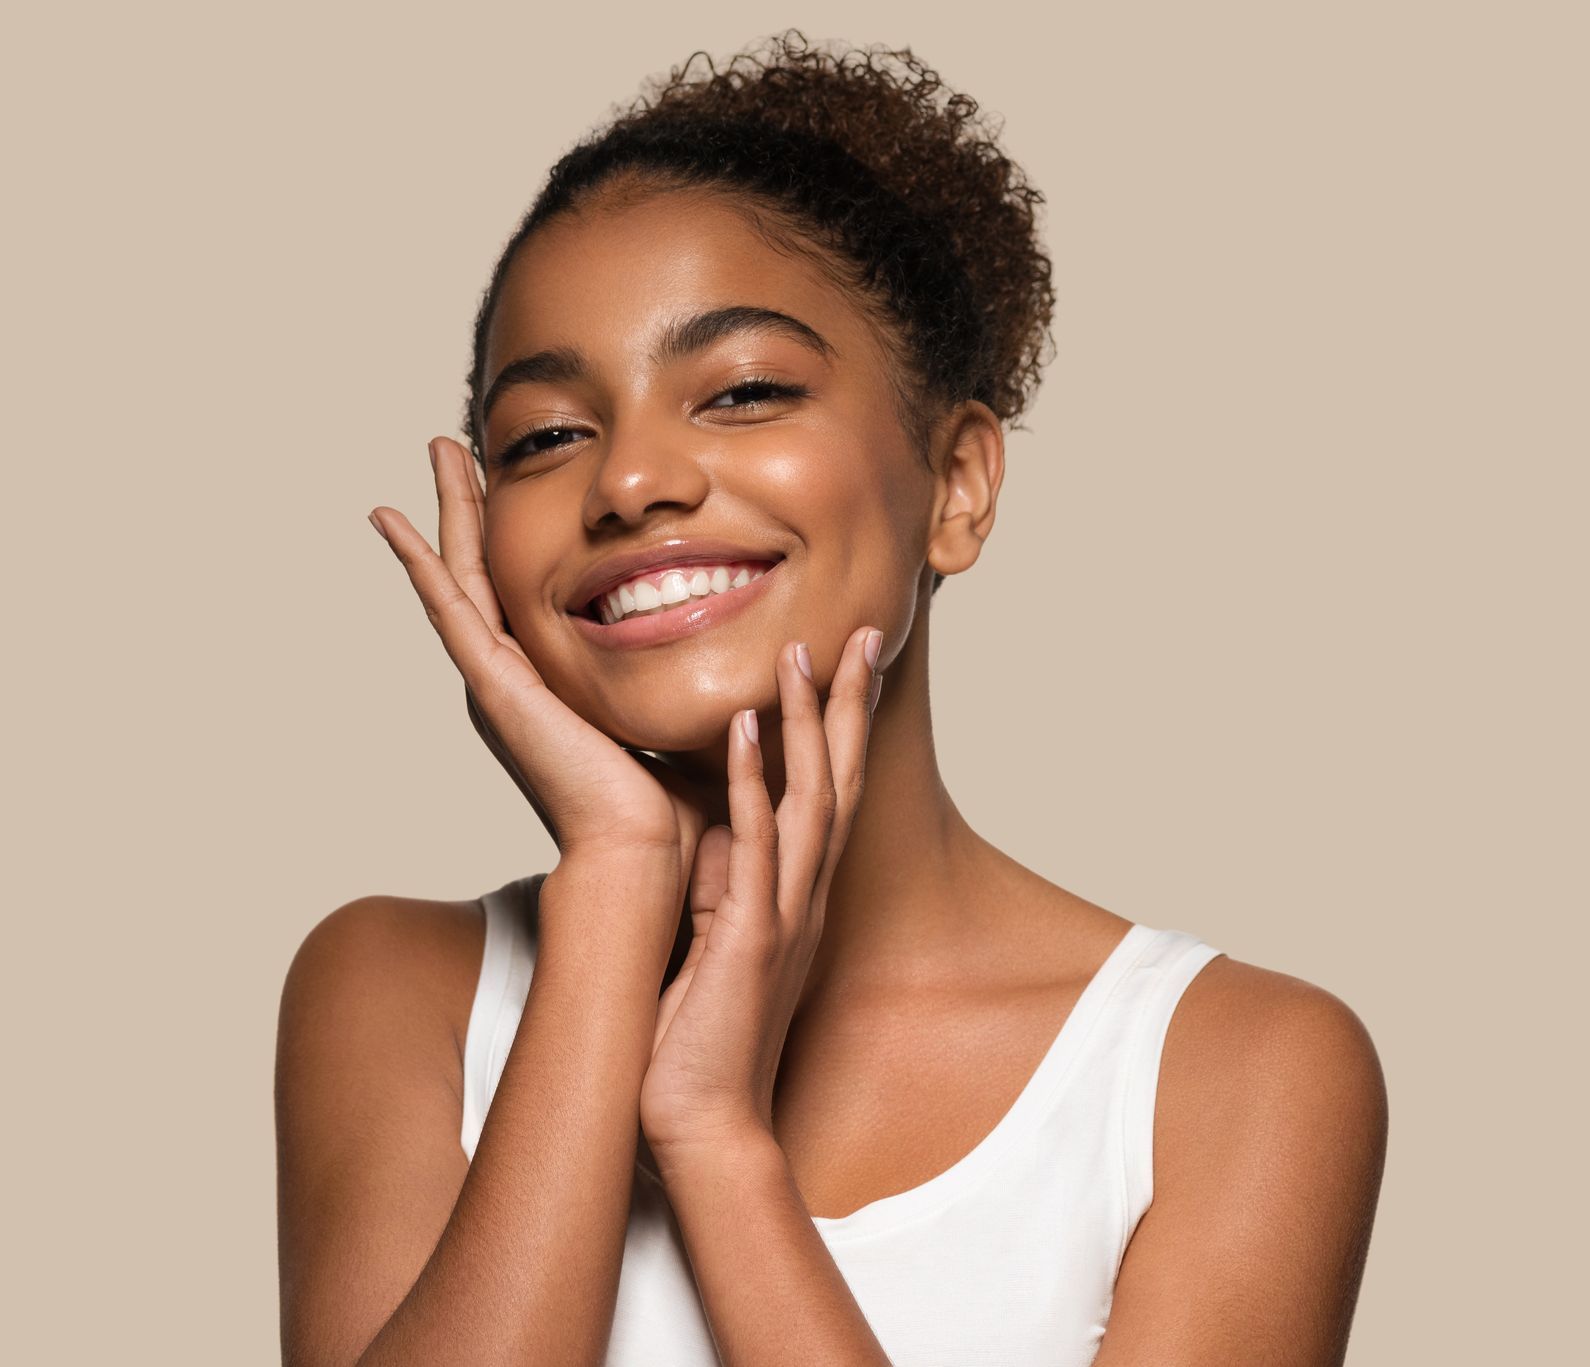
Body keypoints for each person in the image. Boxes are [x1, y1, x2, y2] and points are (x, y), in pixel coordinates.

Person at [274, 30, 1388, 1367]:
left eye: (741, 392)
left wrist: (715, 1142)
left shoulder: (1230, 1069)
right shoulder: (396, 993)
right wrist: (617, 890)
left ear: (958, 485)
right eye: (546, 436)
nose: (627, 481)